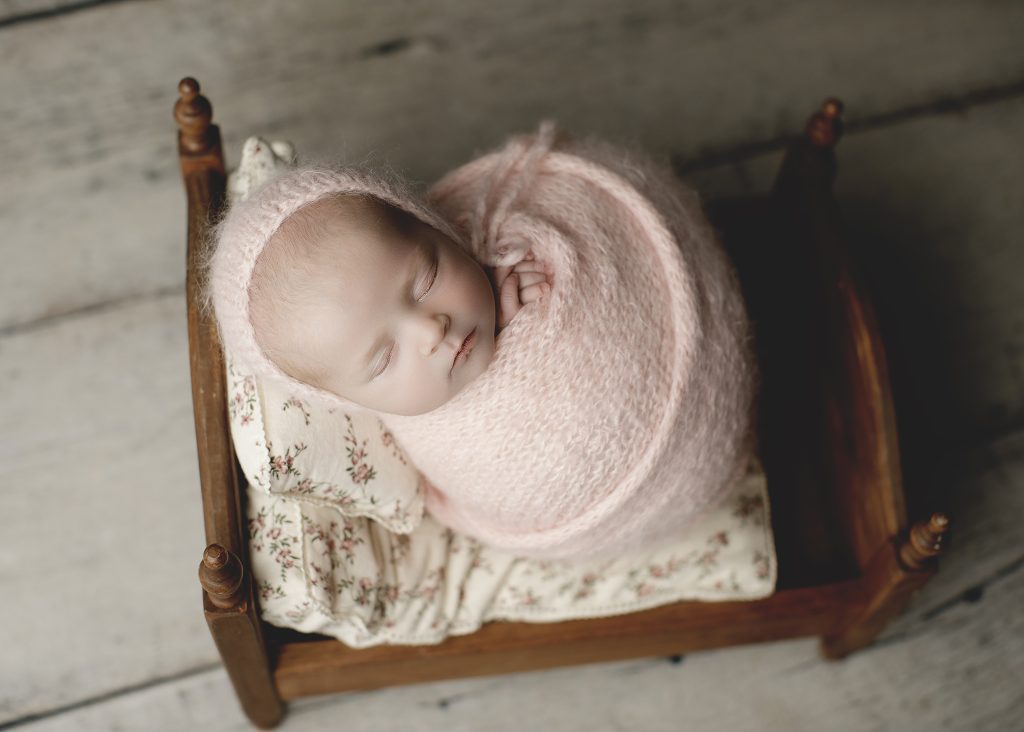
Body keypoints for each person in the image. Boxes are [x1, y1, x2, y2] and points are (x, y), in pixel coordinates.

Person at [208, 122, 756, 561]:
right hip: (656, 485)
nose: (431, 330)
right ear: (347, 400)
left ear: (432, 223)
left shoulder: (503, 242)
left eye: (425, 279)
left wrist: (500, 311)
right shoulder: (450, 448)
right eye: (384, 357)